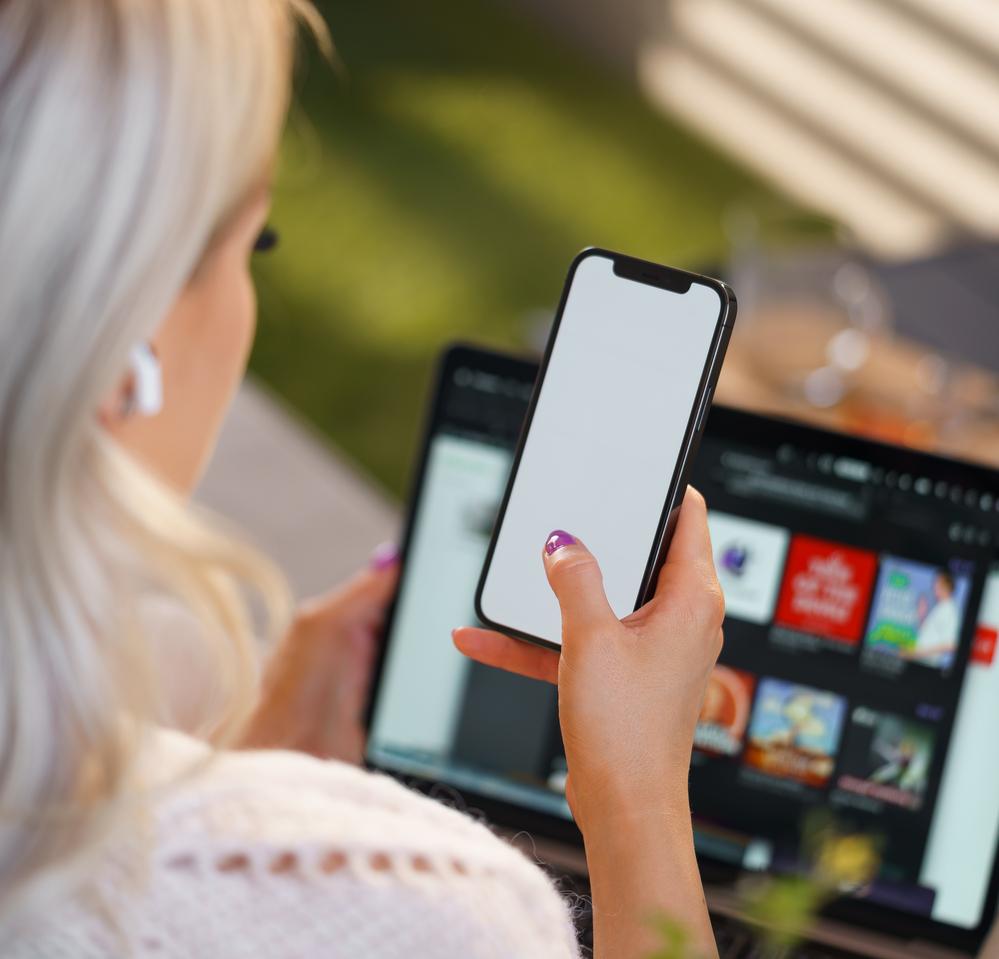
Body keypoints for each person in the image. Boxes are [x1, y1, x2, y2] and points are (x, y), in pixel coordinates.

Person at [0, 2, 727, 957]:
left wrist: (256, 781)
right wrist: (637, 800)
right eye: (250, 245)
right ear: (116, 347)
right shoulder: (431, 905)